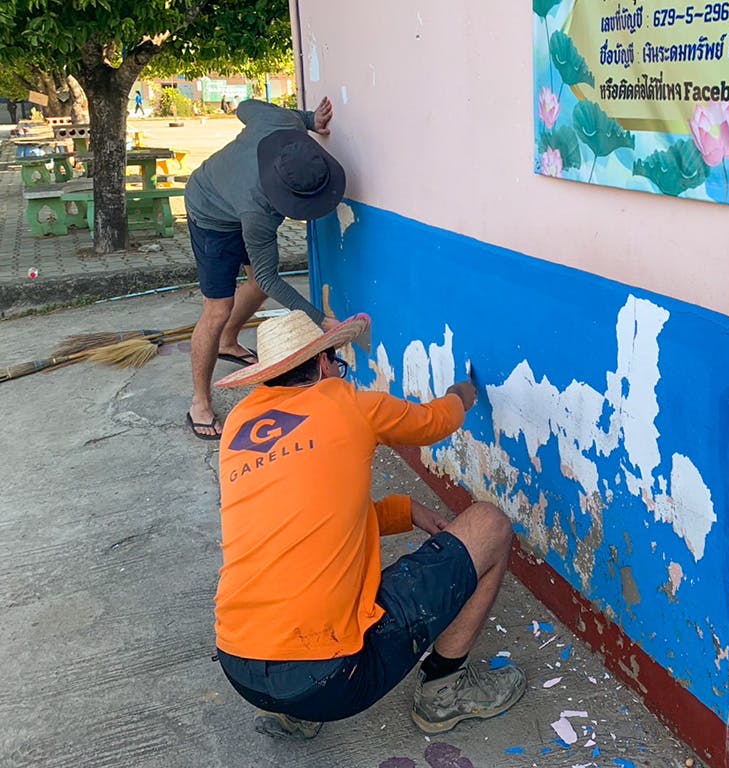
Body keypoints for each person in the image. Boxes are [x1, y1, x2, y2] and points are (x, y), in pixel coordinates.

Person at [211, 310, 526, 739]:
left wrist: (403, 510)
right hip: (329, 679)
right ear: (323, 363)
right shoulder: (349, 404)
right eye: (336, 362)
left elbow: (310, 523)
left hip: (239, 666)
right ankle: (443, 693)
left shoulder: (237, 426)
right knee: (490, 524)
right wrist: (462, 395)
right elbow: (435, 422)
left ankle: (298, 713)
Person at [184, 96, 345, 439]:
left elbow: (244, 106)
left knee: (256, 281)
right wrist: (320, 320)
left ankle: (228, 342)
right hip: (210, 213)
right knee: (217, 308)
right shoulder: (259, 210)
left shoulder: (282, 122)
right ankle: (199, 401)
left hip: (236, 203)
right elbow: (275, 279)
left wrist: (308, 118)